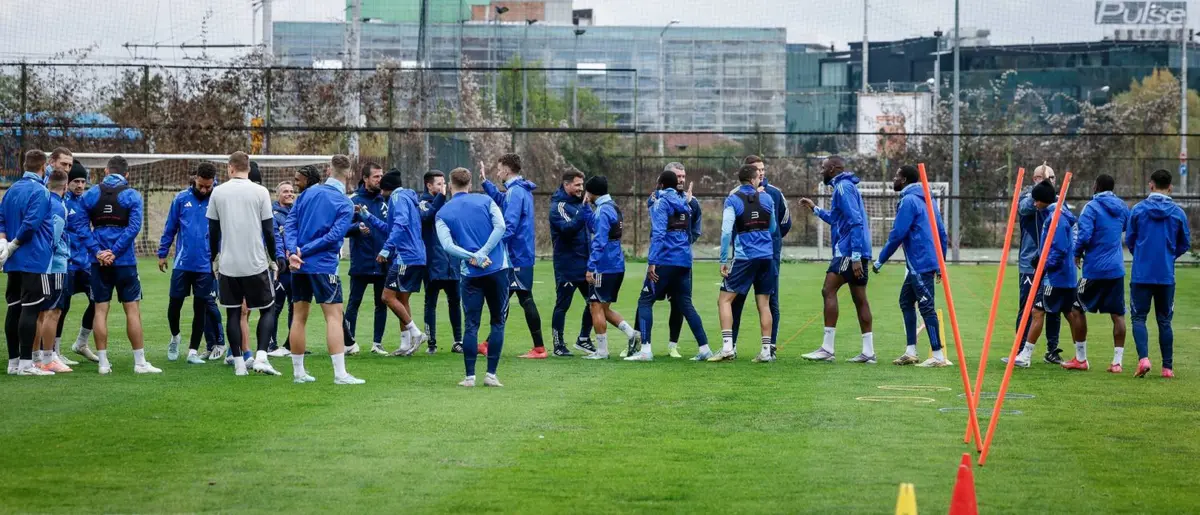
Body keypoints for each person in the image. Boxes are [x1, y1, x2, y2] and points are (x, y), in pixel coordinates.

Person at [75, 155, 160, 374]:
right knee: (132, 310)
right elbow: (133, 228)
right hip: (125, 262)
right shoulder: (132, 195)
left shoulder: (90, 194)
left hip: (98, 262)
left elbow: (81, 227)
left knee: (100, 310)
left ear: (105, 171)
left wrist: (98, 252)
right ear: (127, 174)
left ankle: (103, 364)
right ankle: (140, 363)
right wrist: (115, 252)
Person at [283, 155, 364, 385]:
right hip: (323, 265)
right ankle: (340, 374)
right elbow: (334, 236)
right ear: (349, 173)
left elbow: (290, 224)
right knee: (334, 317)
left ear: (329, 170)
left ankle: (299, 373)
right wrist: (304, 251)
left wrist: (294, 251)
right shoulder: (345, 203)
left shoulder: (307, 194)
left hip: (299, 265)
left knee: (299, 316)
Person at [207, 152, 283, 376]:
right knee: (268, 308)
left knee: (232, 313)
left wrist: (214, 257)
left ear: (230, 168)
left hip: (229, 264)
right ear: (248, 169)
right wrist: (273, 258)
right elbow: (269, 230)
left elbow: (213, 231)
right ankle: (261, 357)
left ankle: (239, 364)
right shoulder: (260, 192)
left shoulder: (218, 192)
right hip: (255, 263)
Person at [435, 168, 509, 387]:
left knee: (471, 324)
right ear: (470, 183)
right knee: (498, 321)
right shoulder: (486, 201)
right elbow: (501, 226)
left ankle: (469, 377)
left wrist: (473, 256)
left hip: (471, 273)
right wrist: (483, 253)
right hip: (497, 268)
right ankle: (491, 375)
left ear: (450, 185)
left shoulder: (443, 212)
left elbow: (447, 246)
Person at [798, 155, 875, 363]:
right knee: (860, 298)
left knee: (828, 290)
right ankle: (868, 352)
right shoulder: (844, 187)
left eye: (823, 167)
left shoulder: (842, 188)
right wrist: (814, 208)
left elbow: (856, 221)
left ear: (832, 168)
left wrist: (855, 256)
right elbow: (835, 218)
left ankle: (827, 348)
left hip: (848, 252)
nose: (820, 171)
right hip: (857, 251)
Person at [873, 165, 950, 367]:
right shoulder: (929, 199)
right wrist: (941, 261)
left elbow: (898, 233)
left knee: (926, 307)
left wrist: (881, 259)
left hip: (920, 262)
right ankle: (911, 351)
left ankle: (937, 356)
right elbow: (942, 232)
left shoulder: (909, 200)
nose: (894, 179)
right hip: (924, 261)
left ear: (905, 180)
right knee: (906, 301)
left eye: (897, 176)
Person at [629, 170, 709, 361]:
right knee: (685, 304)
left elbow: (658, 234)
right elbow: (691, 231)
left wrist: (652, 262)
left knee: (645, 301)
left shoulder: (661, 203)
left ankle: (645, 351)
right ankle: (705, 348)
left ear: (662, 184)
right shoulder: (686, 203)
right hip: (684, 261)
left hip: (665, 260)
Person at [1012, 180, 1087, 369]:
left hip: (1055, 277)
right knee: (1070, 313)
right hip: (1065, 274)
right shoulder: (1057, 215)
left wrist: (1043, 265)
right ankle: (1081, 357)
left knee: (1037, 311)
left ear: (1044, 200)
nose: (1034, 204)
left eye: (1037, 200)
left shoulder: (1056, 218)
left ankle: (1025, 356)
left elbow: (1059, 249)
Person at [480, 154, 547, 359]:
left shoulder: (516, 192)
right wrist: (485, 182)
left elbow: (509, 225)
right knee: (505, 299)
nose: (498, 172)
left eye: (500, 169)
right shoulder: (517, 190)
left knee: (523, 298)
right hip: (519, 254)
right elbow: (503, 201)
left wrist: (492, 247)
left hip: (516, 255)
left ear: (507, 170)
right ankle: (488, 344)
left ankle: (539, 348)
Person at [1126, 169, 1190, 378]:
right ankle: (1167, 368)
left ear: (1151, 185)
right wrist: (1169, 256)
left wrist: (1141, 255)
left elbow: (1130, 240)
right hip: (1165, 275)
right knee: (1164, 321)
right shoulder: (1178, 213)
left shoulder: (1138, 210)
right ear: (1170, 187)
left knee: (1138, 318)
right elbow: (1185, 243)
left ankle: (1144, 359)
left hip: (1141, 274)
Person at [159, 162, 224, 365]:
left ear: (213, 182)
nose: (204, 190)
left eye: (208, 186)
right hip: (183, 262)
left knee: (201, 307)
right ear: (195, 179)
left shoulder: (218, 199)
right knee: (174, 305)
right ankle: (175, 336)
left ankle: (193, 351)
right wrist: (162, 253)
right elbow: (170, 227)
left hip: (206, 265)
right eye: (201, 186)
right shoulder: (181, 199)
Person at [711, 164, 778, 363]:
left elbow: (726, 232)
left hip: (744, 257)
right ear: (752, 179)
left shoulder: (733, 199)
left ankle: (727, 348)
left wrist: (723, 259)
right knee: (764, 304)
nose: (761, 179)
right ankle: (766, 351)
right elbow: (773, 227)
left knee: (724, 300)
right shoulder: (767, 198)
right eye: (759, 176)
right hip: (767, 257)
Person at [729, 155, 790, 358]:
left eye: (763, 169)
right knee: (737, 300)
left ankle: (769, 347)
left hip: (769, 256)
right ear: (748, 173)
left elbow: (784, 223)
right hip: (744, 256)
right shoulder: (736, 194)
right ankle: (732, 346)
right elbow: (731, 225)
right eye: (757, 170)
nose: (761, 173)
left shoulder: (774, 194)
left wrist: (770, 241)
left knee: (771, 300)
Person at [365, 170, 429, 357]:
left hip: (405, 257)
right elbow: (390, 228)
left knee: (387, 297)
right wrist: (367, 216)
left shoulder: (397, 197)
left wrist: (386, 249)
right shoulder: (408, 198)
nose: (380, 191)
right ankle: (405, 344)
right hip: (417, 256)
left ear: (387, 187)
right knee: (402, 299)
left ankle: (416, 333)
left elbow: (400, 224)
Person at [2, 150, 53, 376]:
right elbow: (31, 224)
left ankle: (13, 363)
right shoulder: (41, 191)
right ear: (43, 167)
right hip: (33, 258)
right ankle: (25, 364)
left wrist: (3, 243)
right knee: (30, 309)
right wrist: (13, 244)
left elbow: (1, 219)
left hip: (13, 261)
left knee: (13, 309)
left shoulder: (11, 189)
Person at [1074, 174, 1130, 373]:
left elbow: (1084, 235)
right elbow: (1126, 227)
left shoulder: (1091, 207)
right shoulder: (1122, 206)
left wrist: (1077, 253)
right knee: (1118, 314)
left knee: (1075, 308)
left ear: (1095, 185)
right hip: (1116, 269)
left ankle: (1081, 359)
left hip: (1094, 270)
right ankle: (1117, 362)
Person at [581, 176, 640, 360]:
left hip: (604, 266)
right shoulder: (612, 207)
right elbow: (595, 227)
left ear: (592, 192)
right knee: (604, 308)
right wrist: (586, 208)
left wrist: (591, 267)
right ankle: (632, 334)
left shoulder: (602, 211)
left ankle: (602, 351)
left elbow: (599, 240)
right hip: (616, 264)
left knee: (595, 306)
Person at [649, 162, 701, 358]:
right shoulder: (657, 198)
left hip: (681, 259)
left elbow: (696, 230)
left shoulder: (692, 203)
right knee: (647, 299)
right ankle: (637, 343)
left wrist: (682, 245)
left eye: (683, 176)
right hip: (660, 259)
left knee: (679, 303)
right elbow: (657, 226)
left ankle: (673, 345)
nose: (681, 180)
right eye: (677, 176)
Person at [1015, 163, 1064, 364]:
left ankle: (1052, 350)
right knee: (1026, 307)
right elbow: (1024, 208)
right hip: (1030, 263)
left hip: (1052, 265)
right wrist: (1040, 191)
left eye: (1051, 178)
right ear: (1034, 179)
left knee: (1053, 307)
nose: (1048, 182)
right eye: (1043, 178)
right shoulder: (1027, 198)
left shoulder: (1058, 200)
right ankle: (1019, 350)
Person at [344, 162, 389, 355]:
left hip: (382, 261)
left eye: (381, 176)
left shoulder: (385, 201)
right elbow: (342, 229)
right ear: (365, 178)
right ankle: (348, 343)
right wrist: (357, 228)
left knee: (382, 303)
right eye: (376, 176)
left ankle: (377, 344)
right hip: (361, 261)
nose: (380, 180)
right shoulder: (353, 201)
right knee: (354, 303)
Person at [549, 169, 595, 357]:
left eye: (582, 185)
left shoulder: (581, 204)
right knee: (563, 305)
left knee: (594, 302)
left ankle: (583, 338)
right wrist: (584, 211)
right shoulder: (558, 206)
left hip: (586, 265)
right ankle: (558, 345)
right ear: (566, 184)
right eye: (577, 185)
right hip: (567, 265)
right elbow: (567, 229)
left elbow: (591, 227)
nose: (580, 188)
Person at [34, 169, 73, 373]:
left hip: (40, 264)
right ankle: (48, 358)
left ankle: (36, 357)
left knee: (40, 312)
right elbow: (54, 237)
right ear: (65, 186)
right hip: (55, 264)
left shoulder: (43, 200)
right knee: (53, 311)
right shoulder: (58, 206)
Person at [62, 160, 100, 364]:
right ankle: (54, 351)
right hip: (67, 263)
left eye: (83, 181)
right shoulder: (62, 202)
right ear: (67, 182)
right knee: (62, 307)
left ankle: (81, 343)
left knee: (97, 300)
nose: (79, 185)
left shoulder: (86, 202)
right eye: (75, 181)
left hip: (86, 263)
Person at [419, 170, 461, 354]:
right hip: (433, 263)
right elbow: (426, 217)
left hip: (451, 263)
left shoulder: (448, 204)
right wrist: (441, 197)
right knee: (431, 303)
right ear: (429, 185)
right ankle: (431, 343)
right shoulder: (422, 203)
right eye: (439, 184)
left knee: (455, 302)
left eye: (444, 183)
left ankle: (458, 341)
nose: (443, 187)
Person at [266, 180, 296, 358]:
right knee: (275, 306)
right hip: (281, 266)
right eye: (285, 191)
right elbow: (274, 237)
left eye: (291, 191)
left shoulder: (297, 212)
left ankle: (292, 343)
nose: (289, 194)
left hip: (296, 267)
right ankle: (270, 344)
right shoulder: (272, 214)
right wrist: (280, 258)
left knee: (295, 306)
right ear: (277, 194)